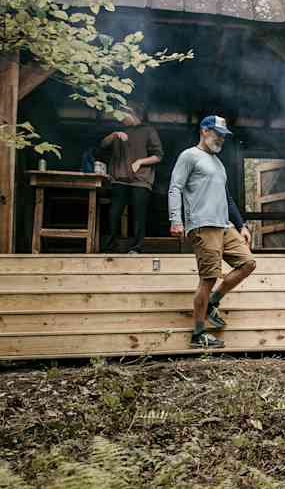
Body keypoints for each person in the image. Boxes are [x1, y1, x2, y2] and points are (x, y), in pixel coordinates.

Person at [168, 115, 256, 349]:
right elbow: (175, 188)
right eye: (217, 133)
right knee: (208, 278)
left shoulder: (218, 163)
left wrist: (241, 225)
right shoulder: (189, 156)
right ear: (204, 131)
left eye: (224, 136)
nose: (221, 139)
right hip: (202, 224)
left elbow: (226, 198)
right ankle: (198, 334)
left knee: (248, 263)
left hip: (223, 225)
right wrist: (176, 220)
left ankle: (212, 302)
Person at [99, 103, 163, 254]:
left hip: (141, 179)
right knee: (114, 212)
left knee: (138, 215)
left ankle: (136, 248)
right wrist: (114, 135)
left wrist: (140, 161)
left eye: (124, 115)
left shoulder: (148, 130)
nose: (122, 119)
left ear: (134, 114)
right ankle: (109, 247)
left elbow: (158, 156)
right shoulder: (118, 130)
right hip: (119, 178)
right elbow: (102, 145)